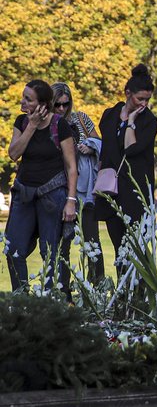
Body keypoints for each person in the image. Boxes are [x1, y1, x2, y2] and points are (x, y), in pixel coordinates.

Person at [6, 80, 77, 293]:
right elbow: (14, 153)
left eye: (28, 99)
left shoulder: (60, 125)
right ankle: (22, 300)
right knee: (13, 249)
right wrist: (32, 126)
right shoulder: (21, 122)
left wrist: (71, 201)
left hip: (52, 195)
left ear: (43, 104)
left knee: (51, 253)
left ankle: (50, 301)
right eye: (23, 96)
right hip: (24, 194)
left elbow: (71, 167)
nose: (23, 101)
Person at [96, 64, 157, 259]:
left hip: (134, 191)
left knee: (136, 251)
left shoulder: (149, 121)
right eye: (140, 99)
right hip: (111, 188)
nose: (144, 104)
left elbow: (132, 149)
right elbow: (105, 149)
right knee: (118, 249)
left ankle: (139, 290)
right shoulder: (109, 115)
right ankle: (122, 290)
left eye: (148, 100)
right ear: (127, 93)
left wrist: (131, 121)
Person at [52, 82, 104, 282]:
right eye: (58, 105)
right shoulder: (48, 124)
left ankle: (96, 288)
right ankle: (63, 290)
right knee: (61, 244)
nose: (62, 109)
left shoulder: (80, 119)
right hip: (60, 187)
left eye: (66, 104)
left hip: (84, 188)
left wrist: (90, 148)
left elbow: (99, 143)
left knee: (92, 242)